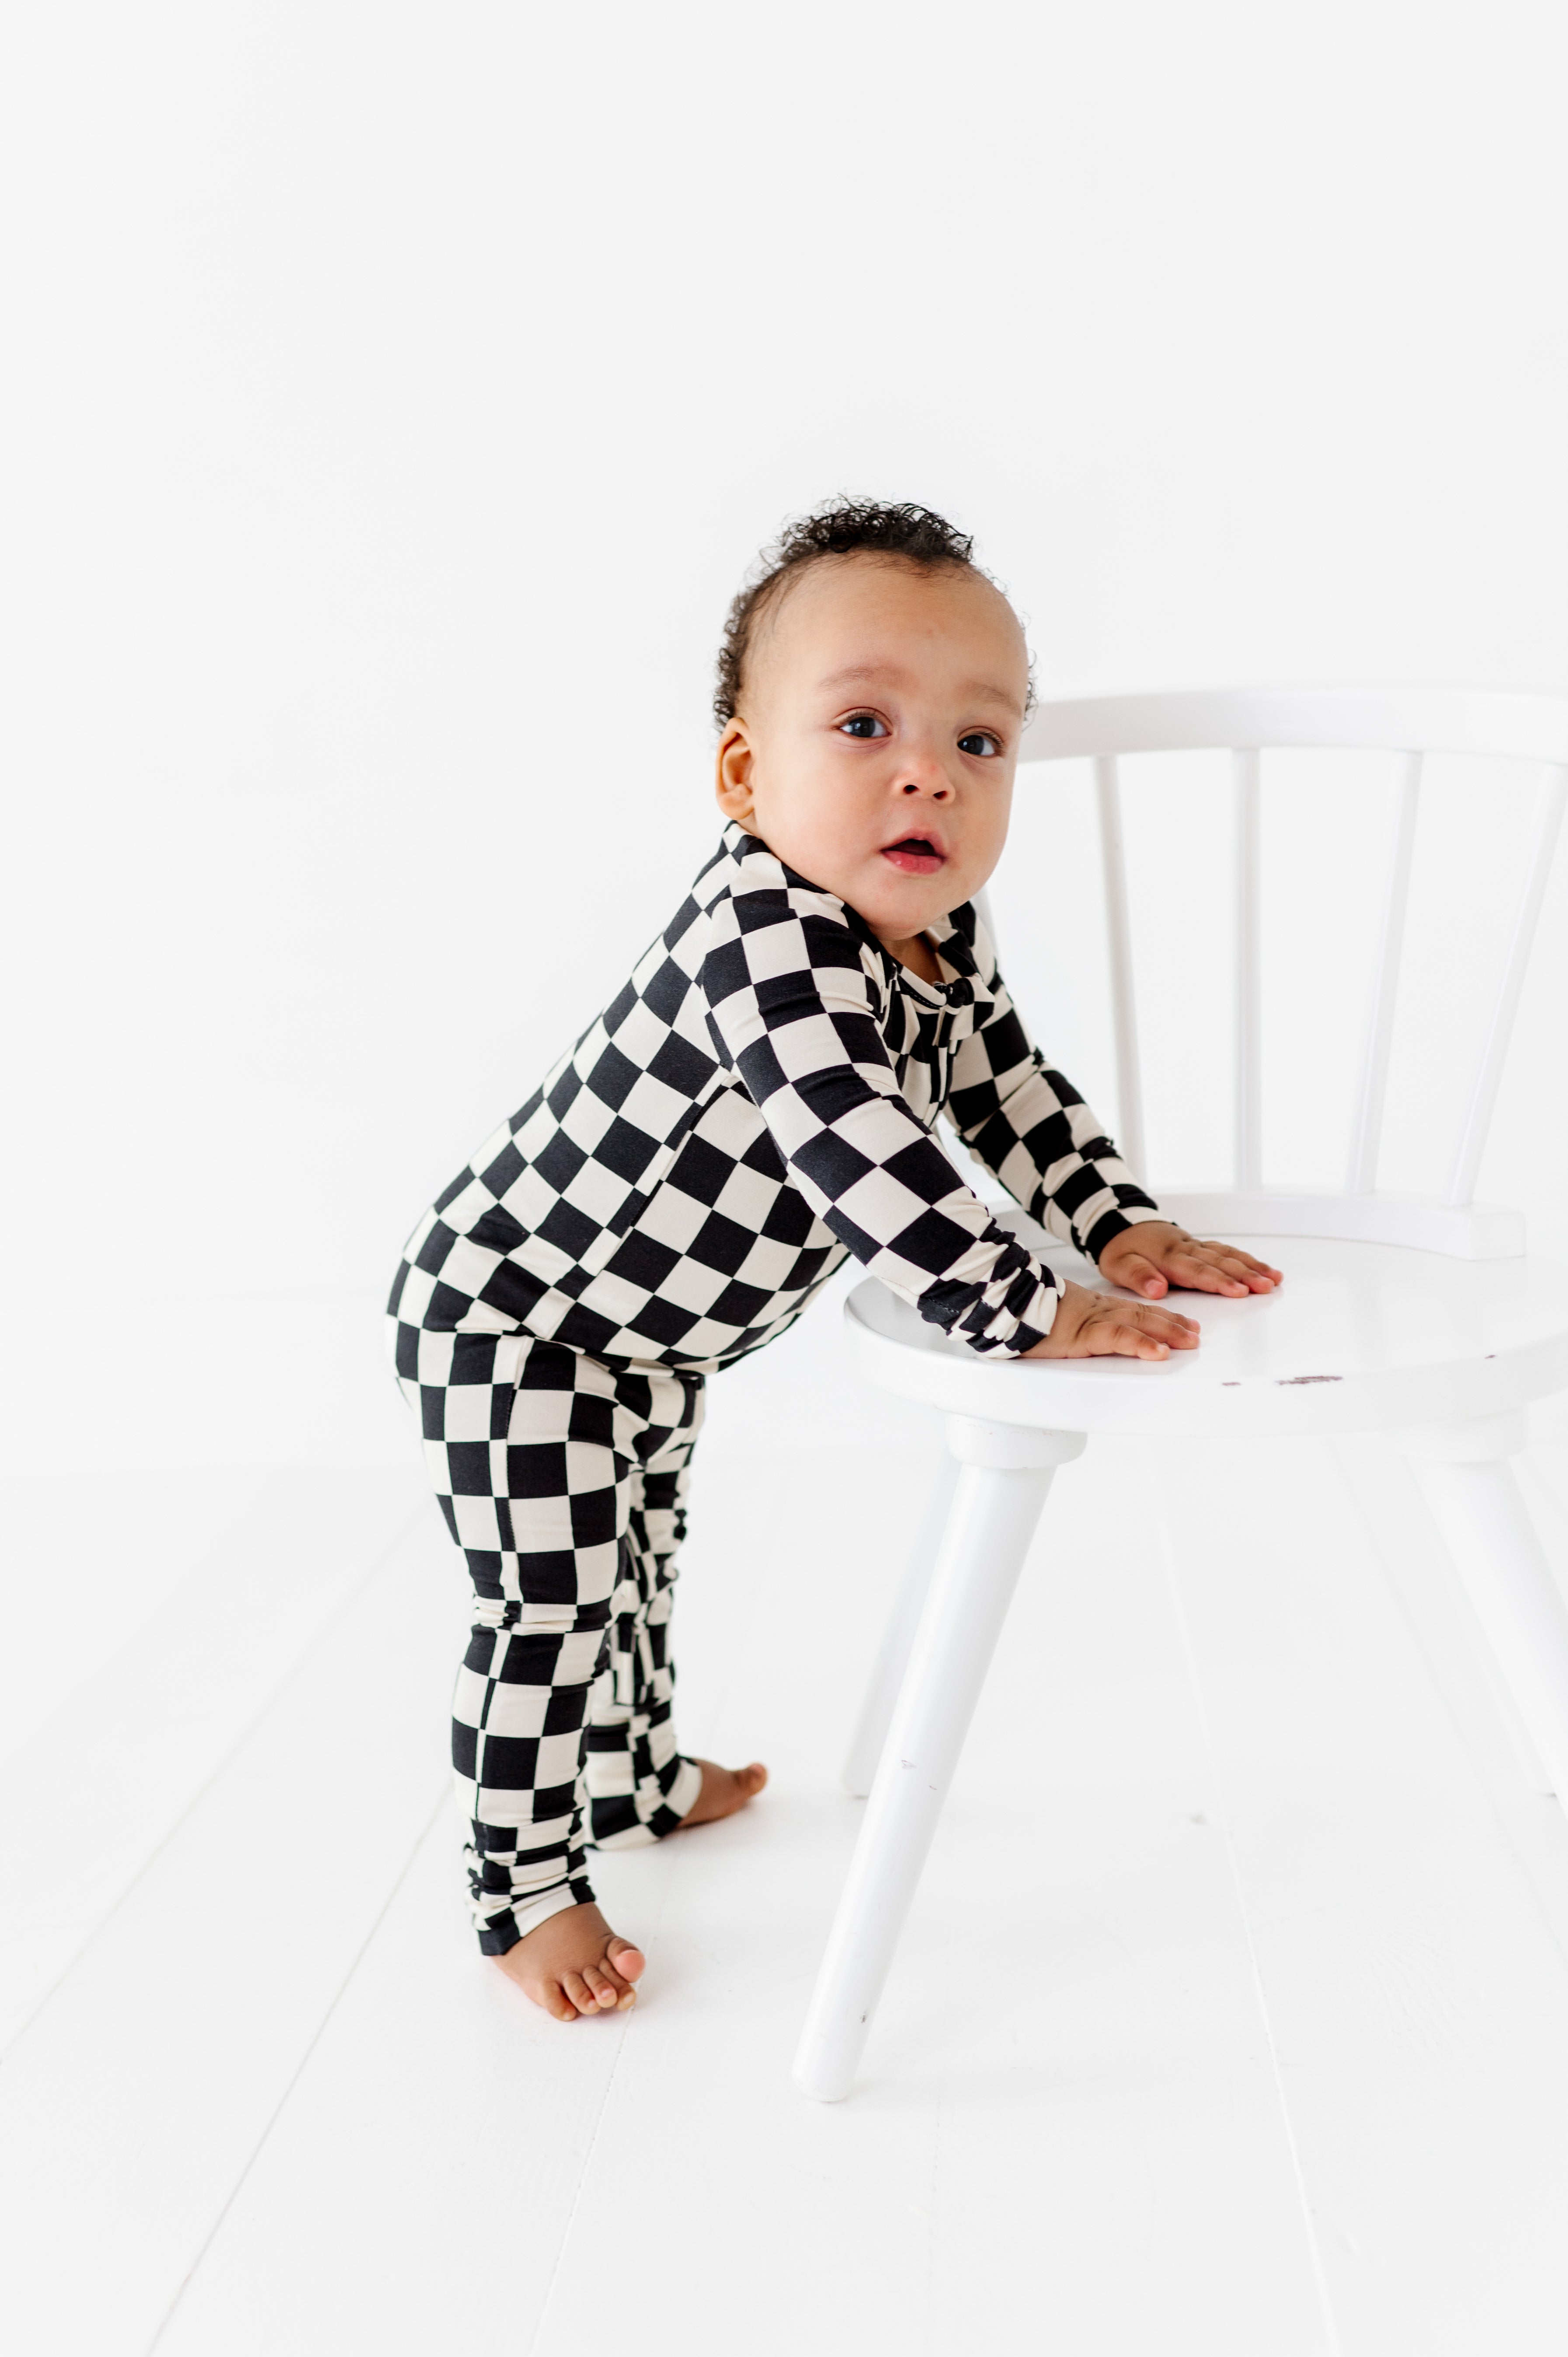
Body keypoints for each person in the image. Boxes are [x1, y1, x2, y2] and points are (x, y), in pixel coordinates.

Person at [386, 500, 1282, 2024]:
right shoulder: (765, 938)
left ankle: (636, 1773)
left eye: (978, 742)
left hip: (642, 1339)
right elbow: (860, 1142)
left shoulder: (939, 937)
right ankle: (519, 1881)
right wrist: (1025, 1306)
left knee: (641, 1563)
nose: (926, 768)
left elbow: (1005, 1095)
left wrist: (1116, 1223)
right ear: (747, 773)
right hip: (514, 1312)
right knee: (549, 1596)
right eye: (862, 723)